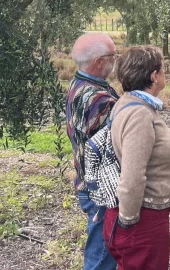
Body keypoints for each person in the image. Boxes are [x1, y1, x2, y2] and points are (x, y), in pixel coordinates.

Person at [103, 45, 170, 270]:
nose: (164, 73)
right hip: (142, 221)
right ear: (154, 76)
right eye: (162, 69)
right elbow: (132, 176)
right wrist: (128, 220)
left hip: (138, 219)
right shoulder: (139, 115)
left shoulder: (128, 103)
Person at [66, 33, 120, 270]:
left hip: (88, 183)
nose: (116, 59)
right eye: (113, 55)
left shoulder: (79, 84)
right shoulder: (98, 100)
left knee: (101, 250)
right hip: (101, 189)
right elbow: (117, 143)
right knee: (101, 257)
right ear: (99, 62)